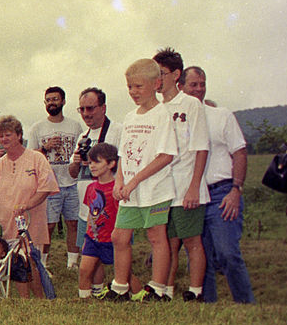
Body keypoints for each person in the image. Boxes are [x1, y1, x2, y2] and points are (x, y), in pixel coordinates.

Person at [182, 67, 254, 303]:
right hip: (192, 197)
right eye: (193, 84)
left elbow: (240, 153)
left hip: (222, 191)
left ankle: (246, 305)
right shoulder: (177, 120)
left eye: (202, 84)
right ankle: (208, 308)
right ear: (181, 86)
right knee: (200, 258)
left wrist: (236, 189)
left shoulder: (221, 115)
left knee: (228, 254)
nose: (199, 89)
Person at [107, 59, 177, 302]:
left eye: (138, 86)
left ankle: (158, 289)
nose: (133, 92)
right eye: (129, 87)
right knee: (119, 237)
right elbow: (124, 154)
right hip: (130, 191)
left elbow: (166, 155)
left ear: (156, 84)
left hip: (155, 190)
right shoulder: (130, 117)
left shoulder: (163, 115)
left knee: (156, 236)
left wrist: (135, 181)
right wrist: (119, 181)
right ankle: (120, 287)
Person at [0, 115, 59, 298]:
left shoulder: (36, 158)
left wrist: (27, 205)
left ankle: (41, 299)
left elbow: (46, 188)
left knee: (29, 261)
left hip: (30, 222)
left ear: (19, 135)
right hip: (4, 222)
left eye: (8, 135)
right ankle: (25, 301)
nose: (4, 139)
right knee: (14, 262)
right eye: (1, 136)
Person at [156, 49, 209, 301]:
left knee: (192, 240)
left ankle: (195, 292)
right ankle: (165, 289)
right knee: (168, 242)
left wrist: (194, 188)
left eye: (161, 74)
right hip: (163, 187)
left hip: (187, 184)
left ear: (176, 74)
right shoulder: (155, 108)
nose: (157, 79)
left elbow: (200, 148)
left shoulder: (191, 104)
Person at [27, 87, 84, 269]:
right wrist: (45, 147)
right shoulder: (38, 128)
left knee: (73, 223)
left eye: (55, 99)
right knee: (48, 226)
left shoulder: (75, 126)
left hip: (72, 183)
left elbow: (81, 150)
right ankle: (42, 264)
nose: (51, 103)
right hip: (49, 185)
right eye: (48, 100)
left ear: (63, 101)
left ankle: (72, 262)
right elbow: (29, 156)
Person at [67, 87, 112, 293]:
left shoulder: (116, 130)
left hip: (108, 202)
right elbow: (72, 172)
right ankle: (97, 289)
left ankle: (121, 287)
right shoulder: (82, 136)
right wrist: (77, 161)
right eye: (82, 109)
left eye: (91, 108)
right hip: (87, 203)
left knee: (108, 251)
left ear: (103, 107)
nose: (86, 114)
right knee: (90, 249)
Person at [78, 142, 120, 299]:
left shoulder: (116, 188)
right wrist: (87, 236)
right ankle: (84, 299)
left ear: (111, 164)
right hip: (93, 238)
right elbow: (91, 214)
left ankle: (138, 293)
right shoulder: (91, 188)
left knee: (123, 271)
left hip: (111, 239)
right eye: (90, 162)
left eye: (97, 162)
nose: (92, 166)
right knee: (84, 269)